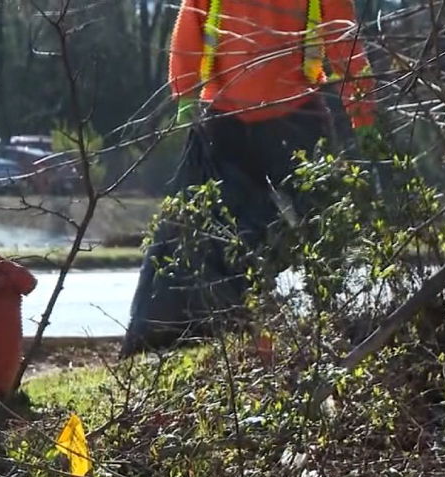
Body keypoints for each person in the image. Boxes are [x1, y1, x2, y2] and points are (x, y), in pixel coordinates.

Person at [123, 0, 377, 355]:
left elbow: (343, 40)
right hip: (251, 123)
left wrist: (186, 93)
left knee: (229, 231)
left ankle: (290, 329)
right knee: (214, 232)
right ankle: (198, 334)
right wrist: (362, 114)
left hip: (263, 120)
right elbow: (345, 43)